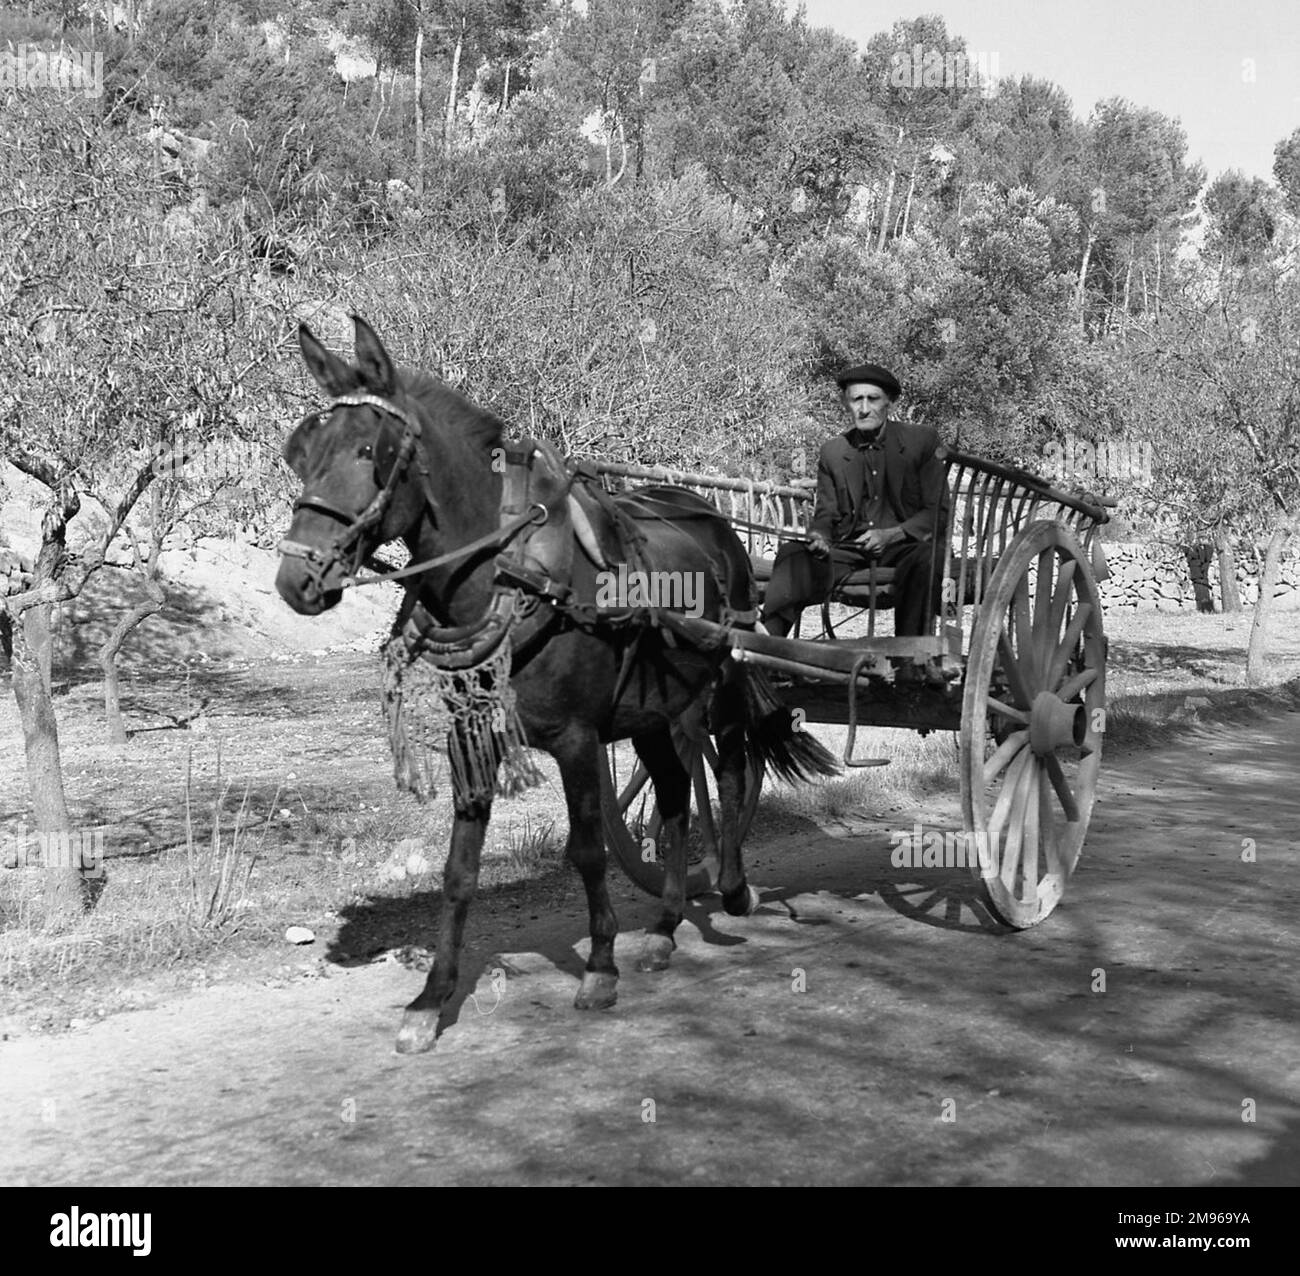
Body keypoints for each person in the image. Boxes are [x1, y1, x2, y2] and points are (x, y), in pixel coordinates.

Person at [760, 363, 948, 639]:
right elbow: (826, 514)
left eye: (872, 399)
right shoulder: (834, 452)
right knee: (794, 554)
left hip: (908, 545)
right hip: (851, 549)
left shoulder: (922, 441)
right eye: (856, 399)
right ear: (846, 404)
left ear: (889, 403)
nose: (863, 408)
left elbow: (937, 512)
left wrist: (890, 535)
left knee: (926, 560)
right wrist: (819, 536)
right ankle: (764, 644)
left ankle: (910, 657)